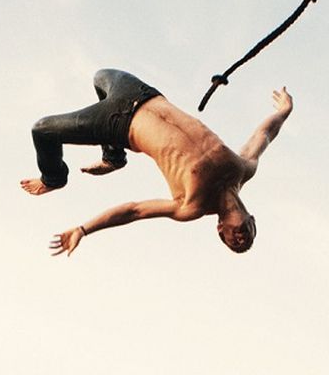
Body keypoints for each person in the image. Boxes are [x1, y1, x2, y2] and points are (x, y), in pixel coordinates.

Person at [21, 68, 292, 257]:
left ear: (219, 229)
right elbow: (264, 135)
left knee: (42, 130)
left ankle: (53, 178)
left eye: (233, 243)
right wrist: (284, 111)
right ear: (252, 221)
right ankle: (113, 157)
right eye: (247, 239)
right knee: (100, 76)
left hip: (118, 124)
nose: (241, 241)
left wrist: (84, 229)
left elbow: (134, 211)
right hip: (143, 94)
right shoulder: (243, 168)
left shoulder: (191, 206)